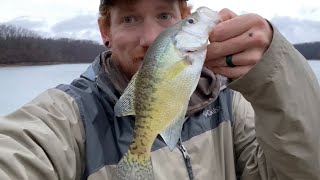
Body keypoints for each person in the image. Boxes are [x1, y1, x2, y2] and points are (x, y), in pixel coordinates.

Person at [0, 0, 319, 179]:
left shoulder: (228, 99)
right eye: (129, 19)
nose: (150, 37)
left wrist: (273, 73)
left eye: (165, 15)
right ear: (105, 31)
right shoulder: (68, 115)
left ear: (184, 17)